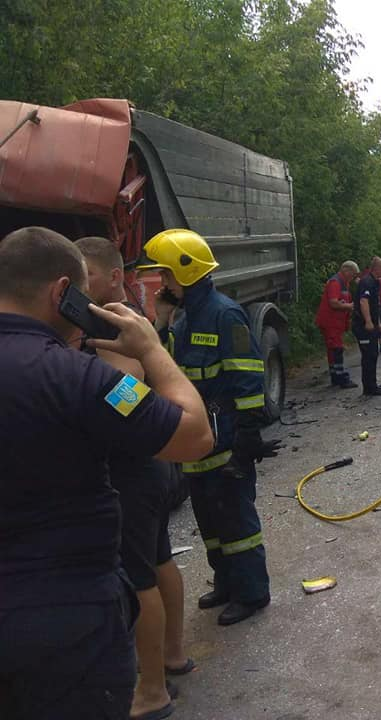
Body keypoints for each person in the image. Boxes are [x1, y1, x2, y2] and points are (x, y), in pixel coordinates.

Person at [0, 227, 212, 720]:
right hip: (64, 622)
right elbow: (192, 433)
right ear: (61, 293)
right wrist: (152, 349)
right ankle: (155, 685)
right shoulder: (79, 376)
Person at [138, 229, 280, 627]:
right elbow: (163, 368)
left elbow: (248, 377)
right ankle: (227, 583)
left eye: (166, 275)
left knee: (236, 524)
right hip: (197, 444)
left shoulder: (224, 313)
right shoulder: (182, 319)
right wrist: (162, 321)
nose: (162, 283)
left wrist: (248, 436)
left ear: (186, 271)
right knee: (211, 524)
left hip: (227, 440)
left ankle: (252, 593)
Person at [77, 236, 193, 719]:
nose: (77, 287)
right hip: (151, 462)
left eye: (85, 276)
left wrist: (86, 383)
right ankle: (171, 656)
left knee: (138, 574)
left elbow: (129, 391)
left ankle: (152, 690)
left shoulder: (116, 321)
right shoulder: (124, 318)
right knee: (159, 557)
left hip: (135, 466)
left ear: (111, 277)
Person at [315, 261, 359, 388]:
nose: (353, 277)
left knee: (332, 350)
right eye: (353, 274)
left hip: (336, 322)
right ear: (346, 270)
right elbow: (333, 302)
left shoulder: (344, 283)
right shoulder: (335, 283)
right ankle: (341, 378)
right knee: (336, 349)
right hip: (330, 322)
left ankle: (335, 376)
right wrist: (349, 306)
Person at [353, 256, 381, 396]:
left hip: (372, 324)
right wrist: (368, 321)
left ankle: (372, 385)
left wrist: (378, 322)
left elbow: (376, 305)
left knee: (373, 354)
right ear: (377, 268)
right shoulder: (367, 282)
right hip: (363, 325)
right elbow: (363, 302)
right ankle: (369, 387)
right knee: (368, 355)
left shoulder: (376, 282)